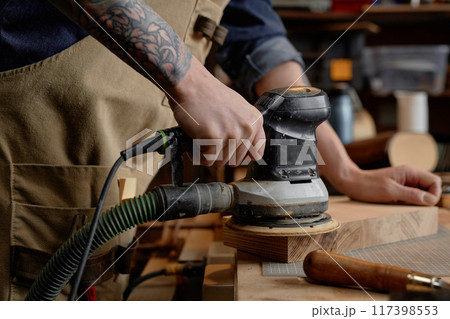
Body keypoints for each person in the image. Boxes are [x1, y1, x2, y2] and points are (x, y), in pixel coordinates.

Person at [0, 0, 441, 301]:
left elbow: (261, 46)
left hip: (117, 174)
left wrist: (343, 171)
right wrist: (192, 82)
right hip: (26, 153)